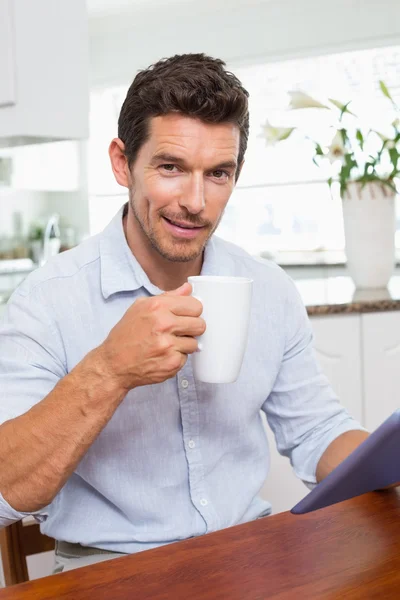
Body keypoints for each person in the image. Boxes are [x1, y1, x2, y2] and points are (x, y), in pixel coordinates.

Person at [0, 53, 367, 573]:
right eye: (171, 167)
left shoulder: (269, 288)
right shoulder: (47, 302)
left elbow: (317, 432)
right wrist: (108, 369)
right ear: (123, 162)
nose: (196, 201)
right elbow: (6, 487)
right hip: (107, 573)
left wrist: (385, 461)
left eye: (218, 173)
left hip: (248, 559)